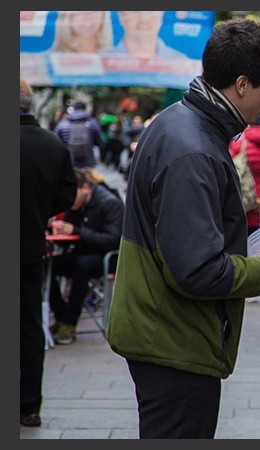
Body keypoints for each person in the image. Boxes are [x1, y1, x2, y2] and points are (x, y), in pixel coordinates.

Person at [105, 19, 260, 439]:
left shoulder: (182, 122)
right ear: (244, 83)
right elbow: (197, 271)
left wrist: (243, 253)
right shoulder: (193, 149)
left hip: (167, 332)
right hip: (173, 342)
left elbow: (183, 244)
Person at [20, 77, 77, 428]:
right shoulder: (53, 145)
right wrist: (39, 215)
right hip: (30, 247)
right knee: (28, 327)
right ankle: (28, 405)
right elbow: (66, 197)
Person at [47, 167, 124, 345]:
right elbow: (72, 237)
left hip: (106, 257)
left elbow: (113, 240)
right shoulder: (75, 206)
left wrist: (76, 231)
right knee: (46, 264)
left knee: (81, 266)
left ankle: (69, 322)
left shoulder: (109, 203)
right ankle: (62, 316)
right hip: (82, 254)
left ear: (86, 188)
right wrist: (57, 229)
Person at [105, 11, 185, 58]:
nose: (144, 18)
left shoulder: (183, 64)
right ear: (121, 16)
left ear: (161, 15)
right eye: (135, 11)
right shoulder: (102, 64)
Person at [53, 101, 105, 169]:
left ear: (73, 109)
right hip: (88, 163)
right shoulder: (93, 123)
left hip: (68, 162)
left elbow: (55, 143)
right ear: (85, 109)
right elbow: (101, 143)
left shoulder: (63, 124)